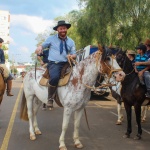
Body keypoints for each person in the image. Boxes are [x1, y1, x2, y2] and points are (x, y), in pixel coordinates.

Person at [35, 20, 76, 108]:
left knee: (78, 74)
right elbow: (44, 45)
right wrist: (40, 47)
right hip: (54, 63)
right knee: (54, 77)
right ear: (57, 30)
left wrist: (72, 56)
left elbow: (74, 53)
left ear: (67, 29)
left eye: (64, 28)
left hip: (67, 63)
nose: (62, 30)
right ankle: (50, 98)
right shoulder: (51, 38)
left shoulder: (71, 41)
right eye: (61, 29)